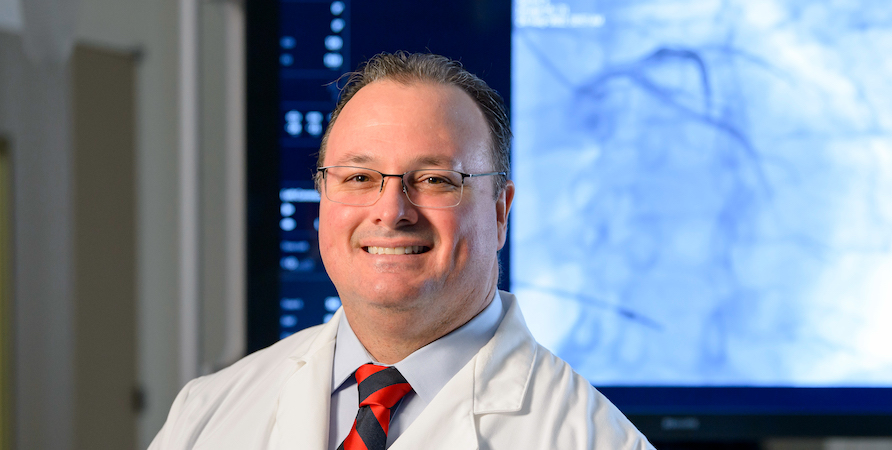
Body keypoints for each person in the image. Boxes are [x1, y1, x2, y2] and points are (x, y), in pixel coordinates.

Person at [150, 51, 654, 449]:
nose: (391, 212)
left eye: (435, 179)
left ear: (501, 211)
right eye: (359, 178)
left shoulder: (595, 439)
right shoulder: (207, 413)